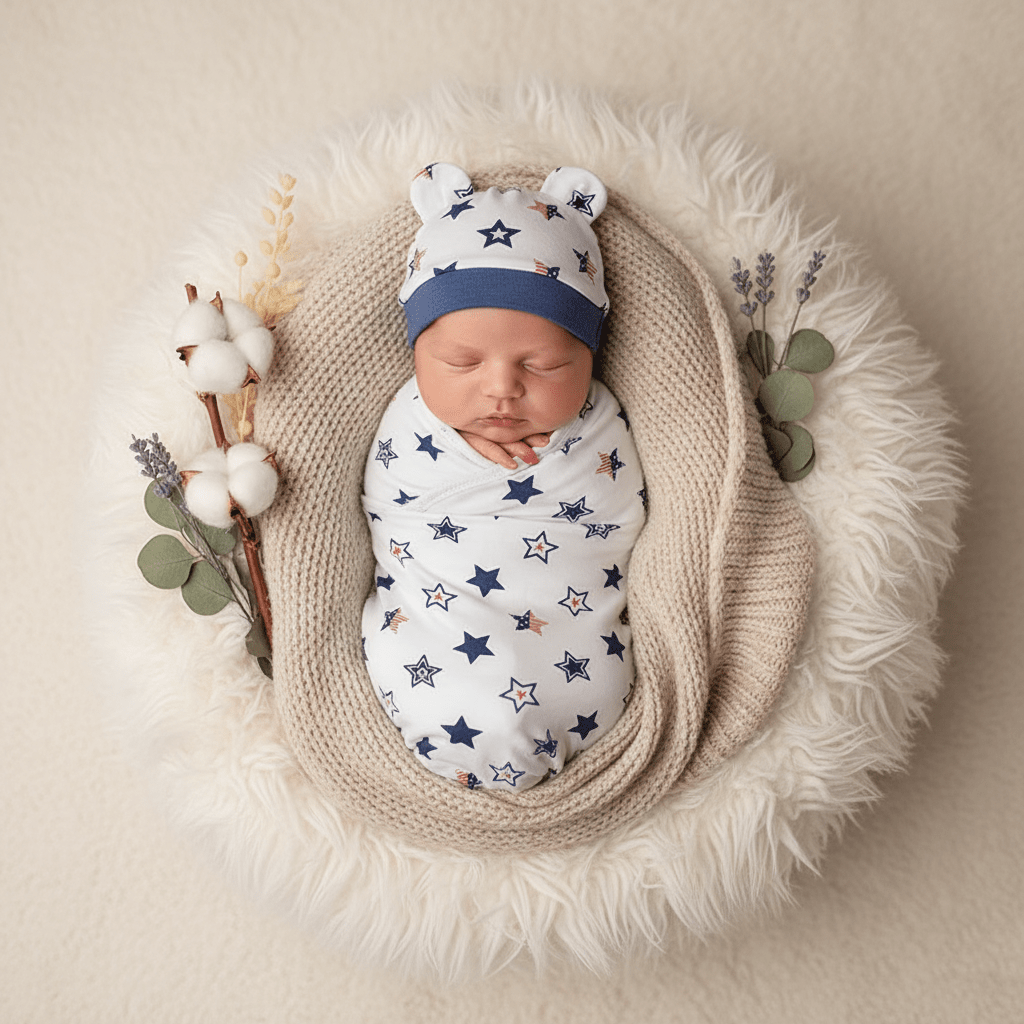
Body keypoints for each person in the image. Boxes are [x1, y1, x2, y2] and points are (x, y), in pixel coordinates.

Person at [360, 163, 646, 791]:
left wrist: (558, 468)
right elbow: (384, 503)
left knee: (583, 671)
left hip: (567, 637)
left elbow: (621, 516)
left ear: (589, 354)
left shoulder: (599, 423)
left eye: (543, 365)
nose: (501, 389)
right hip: (437, 625)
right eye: (461, 362)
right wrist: (459, 461)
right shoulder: (409, 418)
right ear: (415, 352)